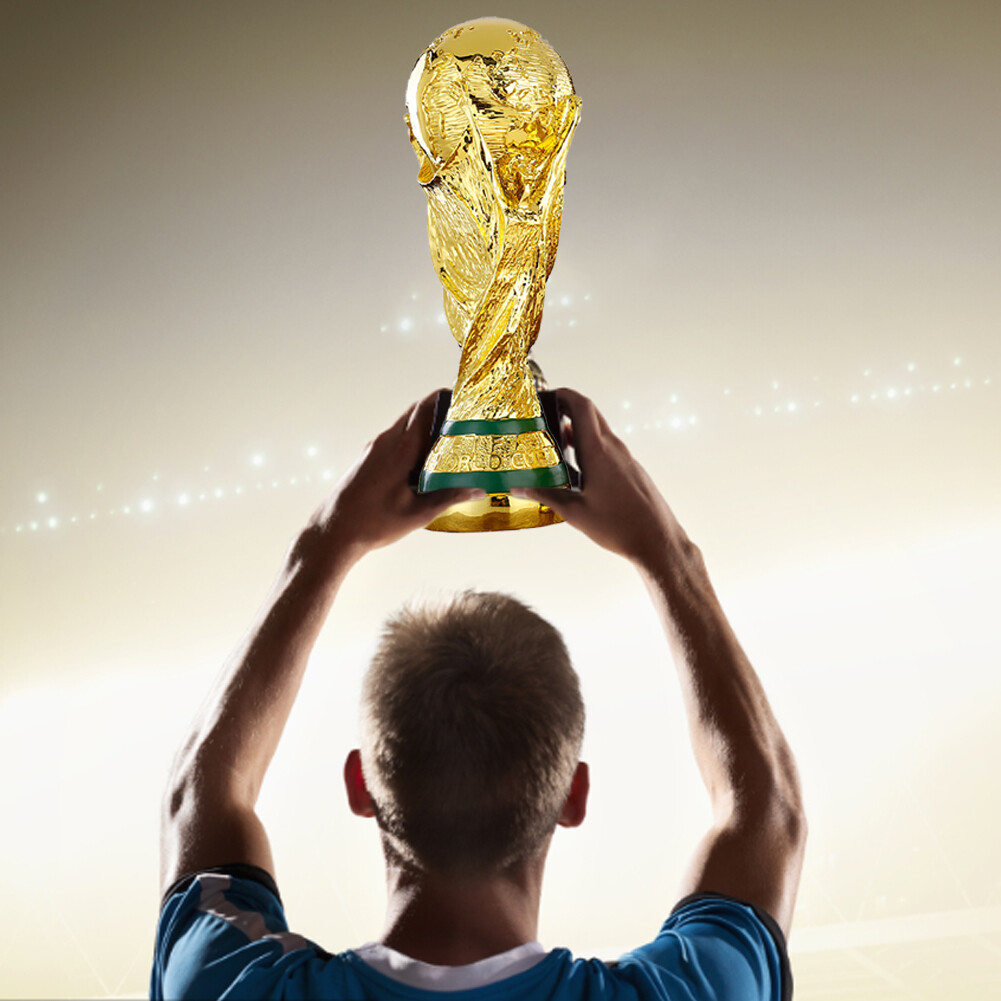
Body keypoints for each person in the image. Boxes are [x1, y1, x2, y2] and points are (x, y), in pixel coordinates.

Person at [150, 388, 806, 1000]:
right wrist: (670, 557)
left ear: (360, 784)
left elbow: (200, 796)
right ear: (572, 795)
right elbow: (768, 812)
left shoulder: (232, 985)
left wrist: (324, 545)